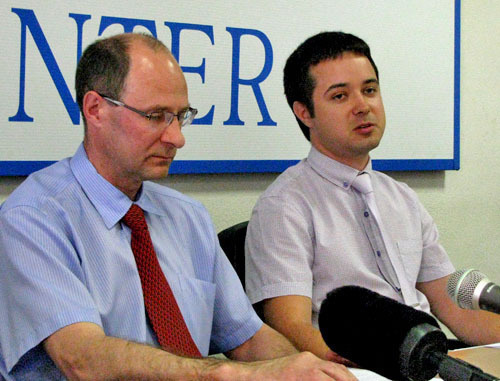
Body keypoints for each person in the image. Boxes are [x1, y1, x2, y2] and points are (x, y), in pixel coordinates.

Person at [0, 33, 357, 381]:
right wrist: (225, 373)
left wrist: (305, 370)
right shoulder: (32, 218)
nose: (177, 138)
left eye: (180, 116)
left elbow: (249, 338)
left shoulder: (188, 217)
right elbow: (82, 360)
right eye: (155, 116)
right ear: (95, 109)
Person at [245, 31, 500, 363]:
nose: (362, 106)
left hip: (430, 358)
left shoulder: (402, 197)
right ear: (305, 113)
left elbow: (455, 307)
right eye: (340, 96)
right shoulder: (284, 206)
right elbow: (290, 327)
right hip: (356, 365)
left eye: (369, 90)